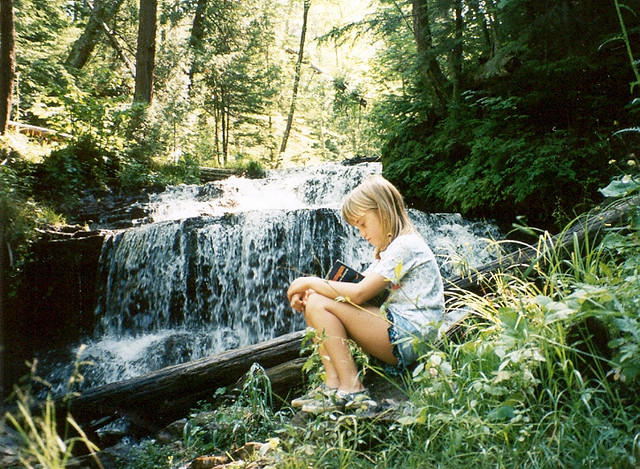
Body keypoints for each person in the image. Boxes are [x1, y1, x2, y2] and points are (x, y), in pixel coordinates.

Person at [287, 175, 445, 414]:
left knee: (319, 301)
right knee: (314, 300)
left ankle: (352, 388)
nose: (361, 233)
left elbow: (360, 293)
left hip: (409, 336)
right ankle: (332, 384)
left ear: (382, 211)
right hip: (403, 333)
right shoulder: (391, 251)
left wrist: (308, 282)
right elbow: (356, 292)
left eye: (363, 223)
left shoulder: (405, 245)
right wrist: (310, 292)